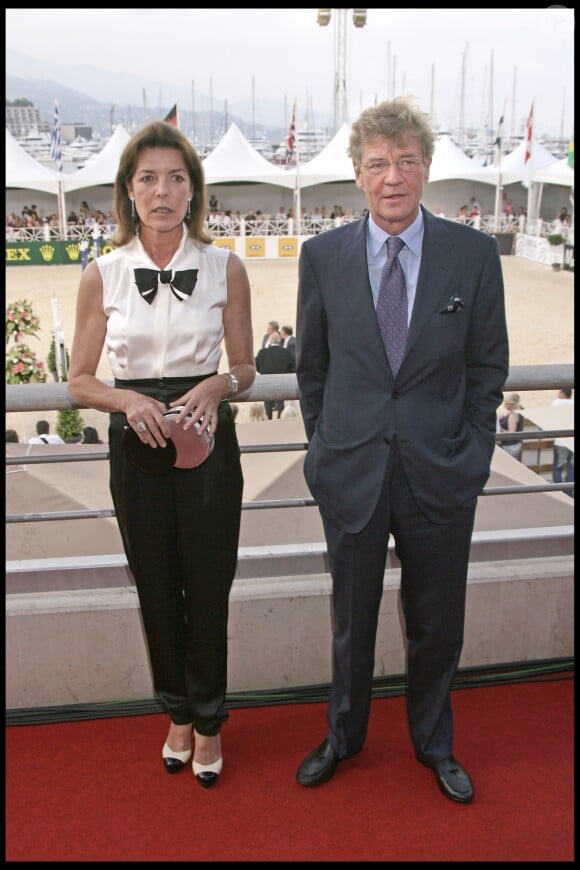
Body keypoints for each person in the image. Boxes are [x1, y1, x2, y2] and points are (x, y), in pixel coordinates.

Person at [294, 96, 509, 803]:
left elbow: (487, 368)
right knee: (349, 621)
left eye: (407, 162)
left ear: (426, 168)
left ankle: (435, 744)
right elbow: (313, 370)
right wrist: (324, 452)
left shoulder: (473, 255)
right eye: (379, 163)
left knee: (437, 621)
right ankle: (344, 735)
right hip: (351, 471)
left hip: (441, 471)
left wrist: (474, 450)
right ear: (357, 173)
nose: (394, 176)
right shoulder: (321, 257)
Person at [67, 120, 256, 789]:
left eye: (176, 177)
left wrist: (215, 384)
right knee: (155, 585)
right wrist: (126, 403)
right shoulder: (103, 273)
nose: (162, 190)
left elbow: (246, 368)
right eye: (147, 177)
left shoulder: (226, 265)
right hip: (137, 442)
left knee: (208, 585)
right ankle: (177, 713)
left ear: (194, 190)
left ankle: (208, 723)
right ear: (127, 190)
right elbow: (80, 378)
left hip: (207, 436)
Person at [255, 331, 295, 419]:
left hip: (266, 380)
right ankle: (279, 420)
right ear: (280, 341)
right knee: (280, 402)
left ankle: (269, 419)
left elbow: (256, 364)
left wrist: (262, 372)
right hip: (282, 381)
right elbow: (292, 366)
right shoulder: (286, 352)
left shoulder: (262, 352)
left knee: (267, 403)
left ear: (270, 341)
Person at [551, 387, 574, 496]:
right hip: (572, 440)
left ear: (562, 392)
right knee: (572, 467)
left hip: (561, 441)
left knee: (557, 468)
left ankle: (558, 492)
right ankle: (569, 492)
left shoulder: (557, 403)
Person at [498, 392, 525, 461]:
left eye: (506, 404)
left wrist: (500, 429)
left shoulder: (513, 415)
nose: (504, 406)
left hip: (510, 445)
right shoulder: (519, 412)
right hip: (516, 444)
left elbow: (511, 433)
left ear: (512, 404)